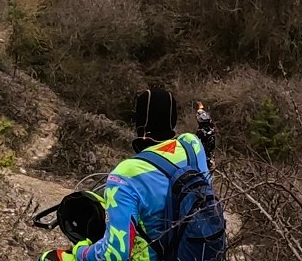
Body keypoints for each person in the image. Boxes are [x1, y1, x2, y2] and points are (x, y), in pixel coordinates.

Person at [39, 89, 226, 261]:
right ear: (173, 119)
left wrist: (79, 251)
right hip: (201, 251)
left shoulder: (125, 174)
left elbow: (115, 254)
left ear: (140, 123)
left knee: (49, 258)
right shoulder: (192, 145)